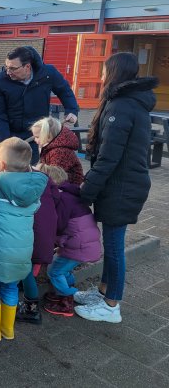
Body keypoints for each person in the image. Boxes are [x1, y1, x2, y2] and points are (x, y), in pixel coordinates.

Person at [75, 52, 157, 323]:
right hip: (121, 184)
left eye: (104, 70)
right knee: (111, 243)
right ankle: (103, 292)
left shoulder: (122, 106)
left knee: (113, 246)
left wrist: (86, 191)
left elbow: (109, 156)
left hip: (122, 186)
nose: (100, 75)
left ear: (114, 73)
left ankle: (111, 306)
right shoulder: (126, 102)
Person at [0, 137, 47, 343]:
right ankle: (8, 329)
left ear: (2, 164)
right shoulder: (35, 186)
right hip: (22, 254)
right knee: (10, 287)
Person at [0, 46, 79, 165]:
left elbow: (64, 91)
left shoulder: (48, 74)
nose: (8, 72)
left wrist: (72, 110)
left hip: (34, 136)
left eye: (13, 68)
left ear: (27, 66)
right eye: (6, 67)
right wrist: (6, 142)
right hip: (6, 133)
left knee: (30, 173)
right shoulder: (0, 80)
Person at [37, 165, 102, 317]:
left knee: (54, 271)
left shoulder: (60, 198)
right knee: (62, 267)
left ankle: (67, 299)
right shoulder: (70, 194)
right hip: (85, 242)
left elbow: (58, 225)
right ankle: (68, 288)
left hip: (77, 244)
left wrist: (52, 239)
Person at [15, 162, 60, 324]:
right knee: (28, 270)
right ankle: (30, 307)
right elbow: (57, 199)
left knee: (24, 271)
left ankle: (31, 310)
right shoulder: (47, 181)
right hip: (45, 235)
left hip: (30, 237)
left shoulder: (18, 183)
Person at [31, 116, 84, 185]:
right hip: (61, 182)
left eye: (37, 137)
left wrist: (38, 169)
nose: (35, 140)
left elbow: (55, 176)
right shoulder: (50, 147)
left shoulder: (59, 151)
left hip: (68, 186)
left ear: (48, 136)